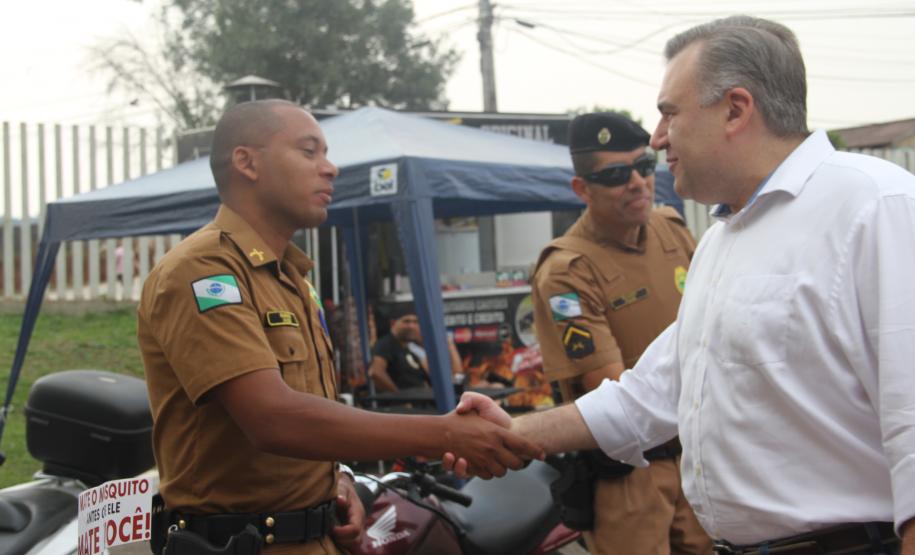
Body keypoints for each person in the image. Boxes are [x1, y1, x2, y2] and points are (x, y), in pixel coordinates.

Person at [448, 15, 915, 555]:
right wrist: (516, 432)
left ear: (736, 110)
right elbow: (650, 394)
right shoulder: (723, 238)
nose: (657, 137)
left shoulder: (874, 206)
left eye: (670, 112)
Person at [137, 99, 542, 555]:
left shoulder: (291, 278)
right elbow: (272, 419)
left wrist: (338, 477)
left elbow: (311, 412)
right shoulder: (202, 270)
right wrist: (445, 433)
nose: (329, 169)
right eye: (309, 152)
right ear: (246, 162)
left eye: (325, 153)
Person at [531, 111, 710, 555]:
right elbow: (608, 387)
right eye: (614, 175)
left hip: (699, 454)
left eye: (644, 166)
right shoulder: (567, 271)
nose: (637, 182)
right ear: (581, 189)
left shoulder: (672, 229)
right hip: (633, 472)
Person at [368, 304, 462, 392]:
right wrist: (399, 398)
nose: (411, 326)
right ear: (393, 323)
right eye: (406, 321)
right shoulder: (386, 343)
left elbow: (447, 376)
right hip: (404, 406)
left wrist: (449, 344)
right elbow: (375, 372)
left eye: (415, 322)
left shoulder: (410, 351)